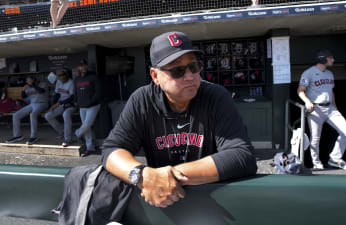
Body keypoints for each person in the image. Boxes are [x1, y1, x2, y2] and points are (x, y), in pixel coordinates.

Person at [101, 31, 257, 209]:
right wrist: (142, 175)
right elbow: (111, 150)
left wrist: (166, 177)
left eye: (194, 66)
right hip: (164, 205)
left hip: (211, 201)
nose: (190, 75)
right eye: (177, 70)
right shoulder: (142, 100)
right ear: (155, 76)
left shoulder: (215, 95)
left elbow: (241, 155)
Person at [297, 50, 346, 171]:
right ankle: (317, 163)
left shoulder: (329, 74)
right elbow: (300, 90)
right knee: (315, 138)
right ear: (323, 59)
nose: (333, 60)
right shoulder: (309, 73)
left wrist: (335, 108)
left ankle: (335, 158)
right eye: (330, 58)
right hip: (315, 109)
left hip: (330, 108)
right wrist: (307, 102)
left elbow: (331, 92)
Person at [6, 76, 48, 145]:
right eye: (27, 81)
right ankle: (17, 135)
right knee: (16, 115)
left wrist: (33, 84)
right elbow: (23, 96)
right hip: (32, 104)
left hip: (42, 103)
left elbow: (41, 91)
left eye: (29, 80)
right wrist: (23, 90)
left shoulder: (43, 84)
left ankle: (33, 136)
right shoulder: (28, 86)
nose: (28, 82)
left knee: (32, 114)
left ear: (34, 79)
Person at [74, 59, 101, 156]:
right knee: (87, 128)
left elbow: (98, 92)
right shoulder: (77, 79)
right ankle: (90, 147)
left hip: (93, 106)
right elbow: (75, 92)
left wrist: (91, 101)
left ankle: (77, 133)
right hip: (82, 106)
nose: (83, 67)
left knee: (87, 125)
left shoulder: (93, 77)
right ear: (79, 68)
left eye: (85, 65)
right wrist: (76, 102)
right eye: (81, 66)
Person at [44, 68, 76, 147]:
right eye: (59, 75)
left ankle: (68, 139)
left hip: (72, 104)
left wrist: (58, 104)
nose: (60, 77)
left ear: (67, 75)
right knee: (48, 115)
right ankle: (62, 132)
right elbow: (57, 94)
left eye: (62, 75)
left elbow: (72, 97)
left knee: (66, 114)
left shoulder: (71, 83)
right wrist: (52, 105)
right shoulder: (58, 82)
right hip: (61, 104)